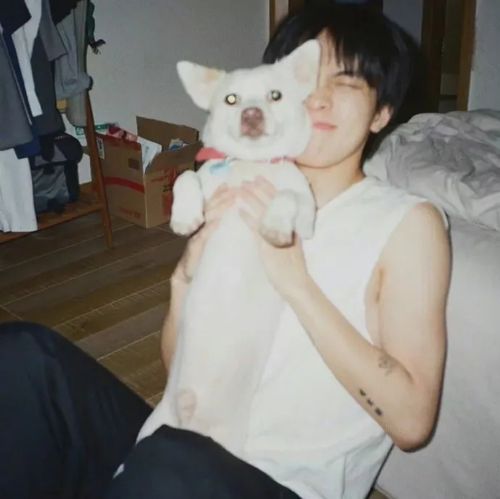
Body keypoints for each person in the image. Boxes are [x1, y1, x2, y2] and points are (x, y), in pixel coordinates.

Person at [0, 3, 450, 499]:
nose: (318, 99)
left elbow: (412, 423)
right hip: (173, 446)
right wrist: (183, 280)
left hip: (279, 483)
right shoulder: (238, 192)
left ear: (382, 112)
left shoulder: (407, 223)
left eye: (345, 83)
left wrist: (296, 283)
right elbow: (179, 369)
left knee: (170, 466)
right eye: (303, 81)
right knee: (22, 356)